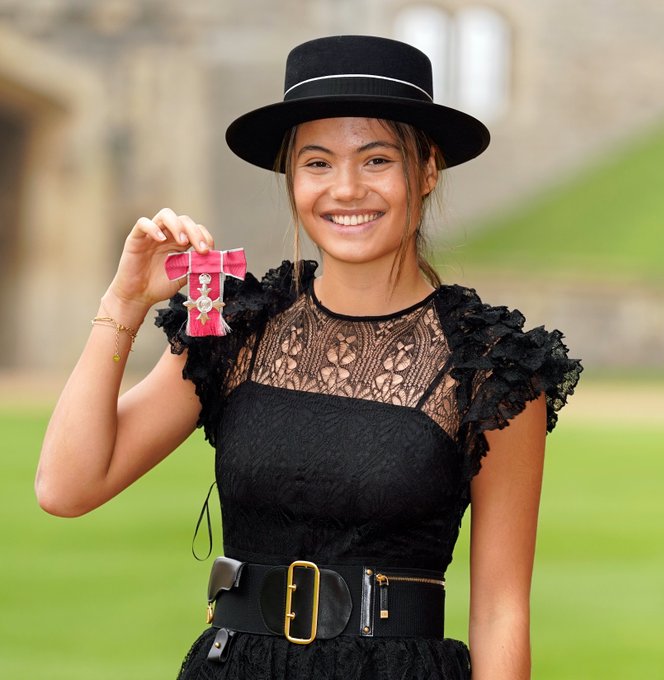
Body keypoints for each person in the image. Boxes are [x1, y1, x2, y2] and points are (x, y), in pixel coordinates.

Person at [36, 35, 581, 680]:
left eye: (376, 160)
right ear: (291, 178)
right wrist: (124, 301)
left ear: (427, 170)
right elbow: (67, 486)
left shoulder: (491, 364)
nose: (345, 189)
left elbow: (499, 611)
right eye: (317, 163)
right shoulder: (236, 328)